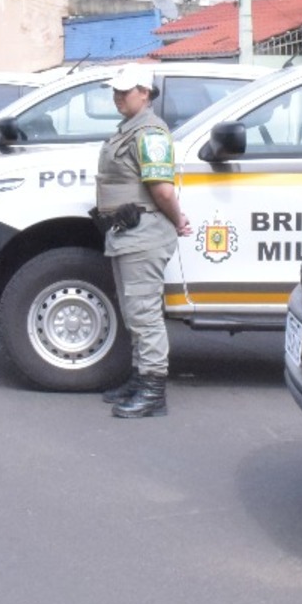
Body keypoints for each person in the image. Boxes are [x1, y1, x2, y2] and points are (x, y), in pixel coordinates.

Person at [94, 63, 190, 419]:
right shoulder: (130, 129)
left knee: (145, 315)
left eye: (125, 91)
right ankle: (139, 378)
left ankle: (153, 391)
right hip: (127, 234)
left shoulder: (150, 133)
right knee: (134, 313)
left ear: (145, 93)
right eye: (115, 91)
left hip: (143, 235)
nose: (117, 96)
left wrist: (178, 220)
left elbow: (162, 190)